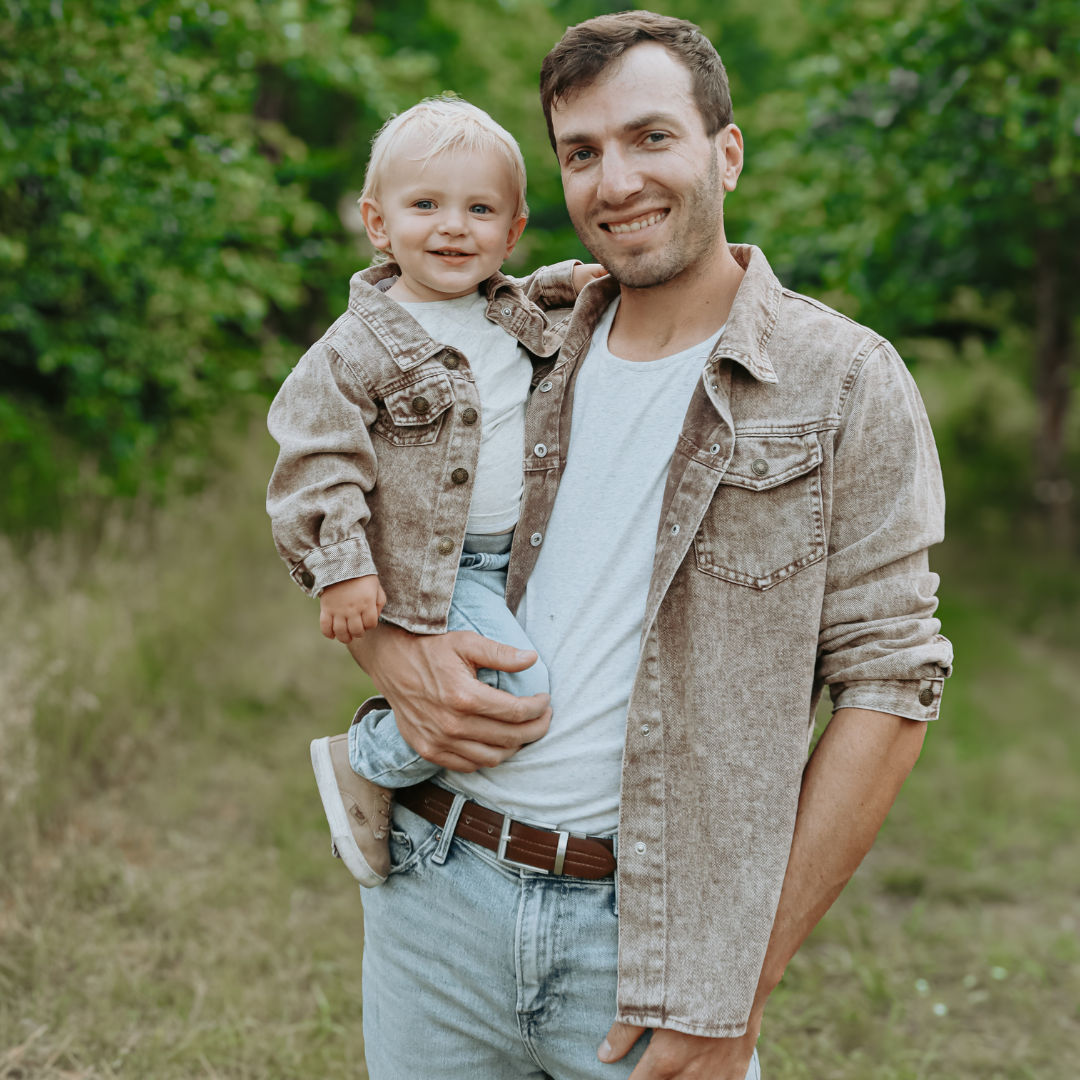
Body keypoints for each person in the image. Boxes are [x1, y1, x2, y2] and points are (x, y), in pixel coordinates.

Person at [345, 11, 954, 1080]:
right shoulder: (516, 338)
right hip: (435, 893)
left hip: (648, 940)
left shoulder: (844, 380)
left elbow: (890, 688)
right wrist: (387, 652)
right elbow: (347, 498)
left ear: (728, 151)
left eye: (651, 137)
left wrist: (735, 990)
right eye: (582, 152)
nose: (616, 181)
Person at [266, 97, 604, 885]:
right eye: (425, 206)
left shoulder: (503, 310)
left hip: (515, 557)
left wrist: (570, 281)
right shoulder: (355, 349)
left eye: (479, 210)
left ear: (511, 233)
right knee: (519, 692)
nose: (454, 227)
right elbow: (317, 462)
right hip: (436, 571)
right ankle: (369, 759)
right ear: (378, 223)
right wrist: (343, 568)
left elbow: (530, 295)